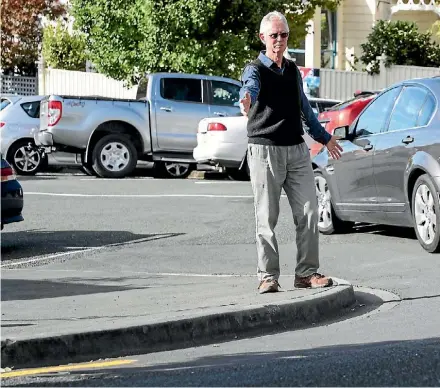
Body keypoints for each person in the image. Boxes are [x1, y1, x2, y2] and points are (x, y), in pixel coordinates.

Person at [239, 11, 343, 294]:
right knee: (266, 217)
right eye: (274, 36)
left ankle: (306, 273)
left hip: (296, 150)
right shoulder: (254, 69)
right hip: (265, 150)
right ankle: (268, 276)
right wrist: (246, 99)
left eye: (284, 35)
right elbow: (250, 88)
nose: (280, 40)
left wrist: (325, 138)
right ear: (263, 38)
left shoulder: (293, 70)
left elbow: (305, 110)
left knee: (309, 211)